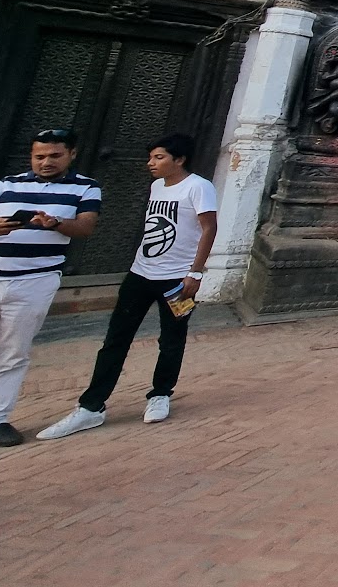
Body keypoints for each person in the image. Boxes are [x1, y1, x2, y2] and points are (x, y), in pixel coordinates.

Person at [38, 134, 217, 439]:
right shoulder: (157, 186)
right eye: (151, 158)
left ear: (180, 160)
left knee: (172, 338)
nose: (151, 163)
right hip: (141, 273)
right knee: (115, 339)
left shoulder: (199, 187)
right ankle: (91, 406)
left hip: (177, 280)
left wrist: (195, 273)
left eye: (159, 158)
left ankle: (161, 394)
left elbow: (209, 227)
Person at [0, 128, 101, 446]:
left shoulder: (86, 188)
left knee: (14, 353)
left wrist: (54, 223)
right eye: (39, 156)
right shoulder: (6, 184)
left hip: (35, 280)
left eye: (54, 155)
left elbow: (85, 227)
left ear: (71, 154)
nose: (46, 162)